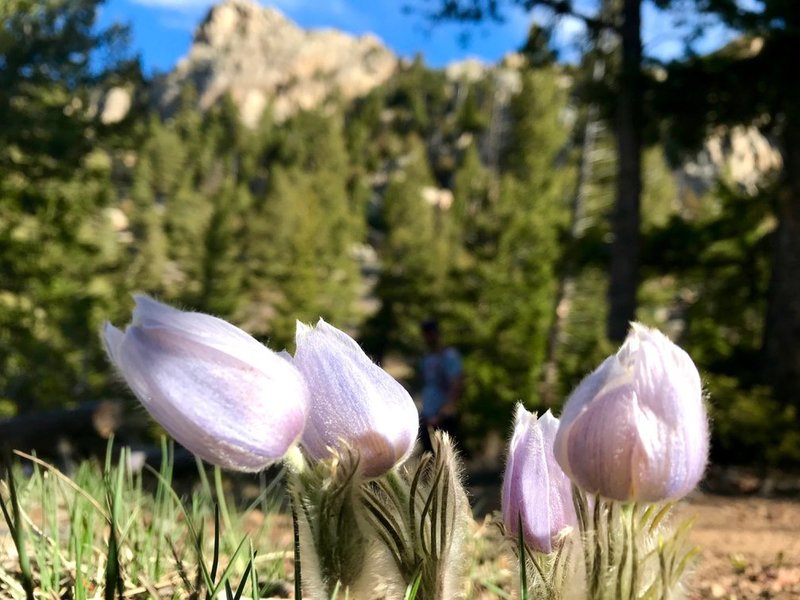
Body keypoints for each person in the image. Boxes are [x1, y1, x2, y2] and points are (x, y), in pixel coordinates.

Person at [418, 318, 464, 454]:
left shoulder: (449, 356)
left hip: (443, 418)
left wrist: (442, 413)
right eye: (425, 334)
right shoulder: (426, 358)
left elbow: (456, 384)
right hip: (427, 415)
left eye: (430, 333)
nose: (428, 337)